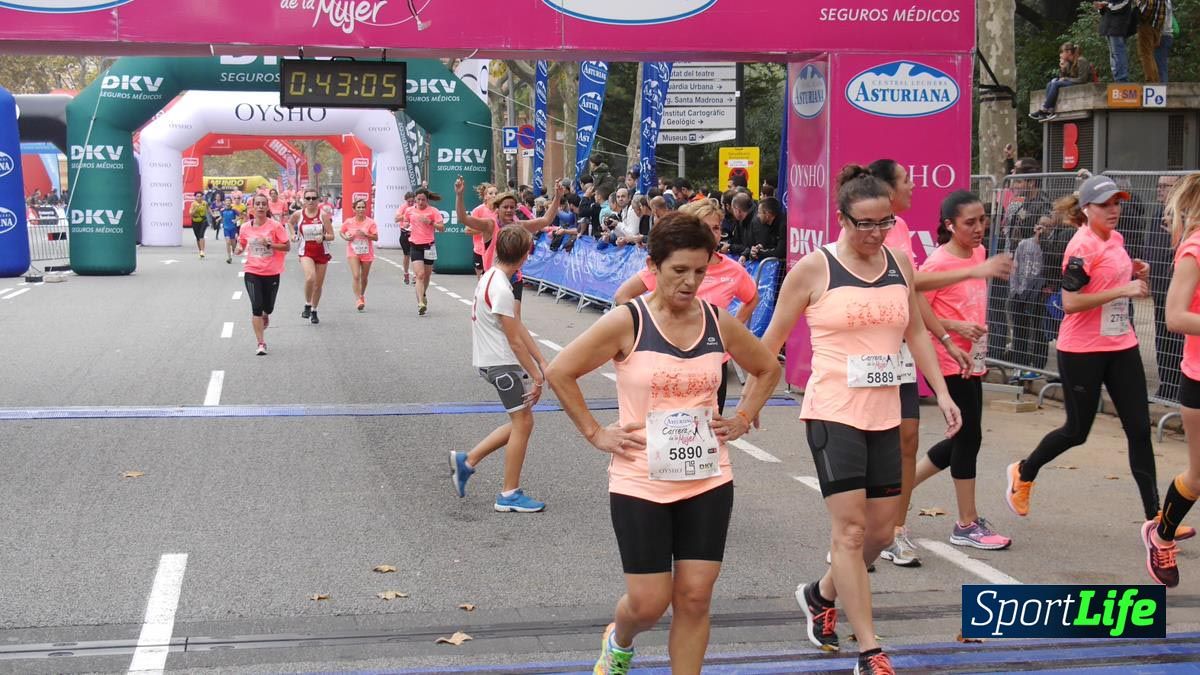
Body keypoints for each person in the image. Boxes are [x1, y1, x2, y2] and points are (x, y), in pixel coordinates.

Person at [544, 212, 781, 675]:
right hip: (640, 479)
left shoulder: (717, 321)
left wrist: (744, 416)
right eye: (679, 271)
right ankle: (620, 638)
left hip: (708, 476)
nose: (691, 282)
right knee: (649, 603)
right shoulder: (627, 321)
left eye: (700, 270)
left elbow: (767, 367)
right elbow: (560, 371)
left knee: (695, 596)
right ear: (653, 266)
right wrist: (596, 432)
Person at [757, 165, 962, 673]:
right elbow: (771, 342)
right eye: (863, 224)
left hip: (885, 411)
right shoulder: (814, 268)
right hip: (832, 411)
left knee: (881, 534)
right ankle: (870, 649)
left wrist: (943, 391)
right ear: (842, 218)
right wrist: (748, 404)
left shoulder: (898, 262)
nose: (874, 234)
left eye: (883, 223)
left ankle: (820, 595)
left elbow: (915, 331)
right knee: (848, 534)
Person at [1005, 175, 1192, 540]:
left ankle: (1158, 522)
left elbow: (1109, 277)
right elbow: (1070, 302)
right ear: (1087, 209)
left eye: (1117, 203)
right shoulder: (1081, 246)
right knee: (1077, 431)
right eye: (1105, 204)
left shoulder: (1116, 239)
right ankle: (1024, 472)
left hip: (1121, 345)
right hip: (1082, 351)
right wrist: (1122, 287)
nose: (1114, 210)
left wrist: (1133, 269)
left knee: (1139, 430)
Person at [913, 191, 1014, 550]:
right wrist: (955, 328)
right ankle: (966, 524)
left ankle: (897, 489)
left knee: (963, 437)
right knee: (969, 438)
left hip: (974, 359)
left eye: (982, 219)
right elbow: (916, 309)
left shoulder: (980, 254)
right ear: (949, 225)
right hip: (945, 360)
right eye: (970, 222)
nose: (979, 228)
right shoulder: (937, 263)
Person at [614, 200, 759, 413]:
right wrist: (647, 332)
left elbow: (752, 298)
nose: (712, 234)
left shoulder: (733, 270)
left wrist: (730, 330)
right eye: (705, 227)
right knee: (660, 427)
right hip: (666, 358)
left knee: (707, 429)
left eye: (717, 228)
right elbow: (623, 295)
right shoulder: (673, 264)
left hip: (710, 359)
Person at [450, 226, 548, 513]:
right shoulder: (503, 288)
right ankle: (508, 493)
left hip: (492, 360)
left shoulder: (491, 277)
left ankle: (467, 462)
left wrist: (541, 361)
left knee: (521, 421)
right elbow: (515, 340)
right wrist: (538, 375)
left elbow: (516, 326)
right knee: (524, 423)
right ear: (524, 256)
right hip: (500, 362)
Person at [1151, 172, 1200, 587]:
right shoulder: (1194, 248)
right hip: (1198, 377)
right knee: (1197, 476)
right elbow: (1175, 316)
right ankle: (1161, 534)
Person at [1141, 175, 1184, 400]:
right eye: (1158, 185)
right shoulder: (1158, 213)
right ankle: (1166, 385)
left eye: (1165, 186)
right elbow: (1150, 245)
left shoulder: (1184, 214)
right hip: (1158, 285)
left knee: (1178, 339)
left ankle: (1179, 388)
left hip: (1177, 287)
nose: (1159, 190)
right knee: (1162, 337)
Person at [235, 194, 291, 355]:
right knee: (256, 307)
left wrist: (270, 244)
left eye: (262, 204)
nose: (260, 207)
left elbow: (286, 247)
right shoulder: (245, 227)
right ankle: (261, 342)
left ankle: (266, 314)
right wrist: (238, 248)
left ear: (267, 207)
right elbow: (242, 242)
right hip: (252, 271)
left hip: (272, 271)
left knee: (269, 307)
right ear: (252, 207)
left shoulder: (275, 226)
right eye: (257, 204)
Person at [288, 188, 334, 325]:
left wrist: (324, 237)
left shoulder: (323, 215)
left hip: (321, 252)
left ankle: (314, 310)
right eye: (308, 198)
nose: (311, 201)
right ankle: (307, 304)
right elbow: (290, 223)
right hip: (306, 251)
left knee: (318, 285)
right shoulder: (298, 214)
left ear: (318, 200)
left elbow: (332, 235)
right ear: (304, 199)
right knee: (310, 277)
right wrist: (292, 234)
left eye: (314, 198)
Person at [405, 187, 446, 316]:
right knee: (420, 275)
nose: (421, 202)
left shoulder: (433, 211)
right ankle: (421, 303)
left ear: (427, 200)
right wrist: (406, 226)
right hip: (415, 245)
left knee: (427, 275)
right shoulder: (409, 211)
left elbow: (442, 228)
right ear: (415, 199)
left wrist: (430, 222)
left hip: (429, 246)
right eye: (418, 200)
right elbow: (405, 222)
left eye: (423, 200)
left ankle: (422, 293)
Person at [1030, 42, 1096, 121]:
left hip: (1083, 84)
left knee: (1055, 84)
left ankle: (1044, 109)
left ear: (1068, 52)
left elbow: (1082, 79)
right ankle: (1050, 111)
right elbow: (1063, 77)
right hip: (1074, 83)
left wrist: (1066, 79)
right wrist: (1063, 68)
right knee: (1050, 84)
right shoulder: (1069, 63)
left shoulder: (1081, 60)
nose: (1060, 55)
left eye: (1062, 52)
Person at [340, 198, 378, 312]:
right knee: (356, 275)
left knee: (364, 277)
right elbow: (341, 231)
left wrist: (366, 234)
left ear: (365, 209)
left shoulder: (370, 222)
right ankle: (358, 300)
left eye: (363, 207)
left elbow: (376, 237)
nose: (361, 209)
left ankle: (361, 295)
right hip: (353, 251)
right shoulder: (349, 222)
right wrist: (346, 237)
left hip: (367, 252)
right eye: (358, 207)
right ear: (354, 209)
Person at [1097, 0, 1136, 83]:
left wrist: (1107, 5)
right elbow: (1103, 11)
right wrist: (1101, 7)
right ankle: (1117, 78)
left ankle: (1122, 79)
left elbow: (1121, 5)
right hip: (1108, 27)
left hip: (1118, 26)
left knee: (1118, 53)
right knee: (1113, 55)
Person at [465, 183, 497, 278]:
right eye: (491, 193)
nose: (494, 195)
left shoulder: (500, 210)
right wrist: (485, 229)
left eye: (496, 193)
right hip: (480, 249)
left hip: (497, 250)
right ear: (485, 196)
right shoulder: (478, 210)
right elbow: (467, 230)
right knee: (482, 281)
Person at [1135, 0, 1168, 84]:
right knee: (1150, 54)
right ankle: (1155, 79)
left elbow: (1148, 7)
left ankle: (1151, 80)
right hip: (1157, 28)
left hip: (1147, 26)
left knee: (1145, 54)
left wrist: (1138, 4)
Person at [395, 191, 416, 285]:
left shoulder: (417, 206)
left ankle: (415, 276)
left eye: (412, 201)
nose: (411, 203)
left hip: (415, 233)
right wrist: (406, 216)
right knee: (406, 255)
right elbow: (396, 219)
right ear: (406, 200)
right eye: (409, 202)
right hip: (404, 233)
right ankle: (406, 274)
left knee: (415, 255)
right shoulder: (403, 207)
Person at [189, 192, 209, 259]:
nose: (199, 198)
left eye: (200, 196)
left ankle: (202, 251)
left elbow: (209, 209)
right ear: (195, 197)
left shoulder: (205, 203)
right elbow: (191, 214)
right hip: (195, 221)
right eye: (197, 196)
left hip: (203, 220)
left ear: (202, 197)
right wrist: (196, 208)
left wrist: (213, 215)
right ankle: (200, 250)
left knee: (201, 235)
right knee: (197, 237)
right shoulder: (193, 204)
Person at [219, 198, 240, 263]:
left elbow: (240, 216)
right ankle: (229, 257)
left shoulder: (234, 210)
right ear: (224, 202)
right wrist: (218, 219)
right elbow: (222, 217)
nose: (227, 202)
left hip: (233, 228)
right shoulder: (222, 210)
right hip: (226, 228)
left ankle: (233, 249)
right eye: (226, 201)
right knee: (228, 242)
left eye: (229, 201)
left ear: (231, 202)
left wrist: (235, 220)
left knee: (233, 244)